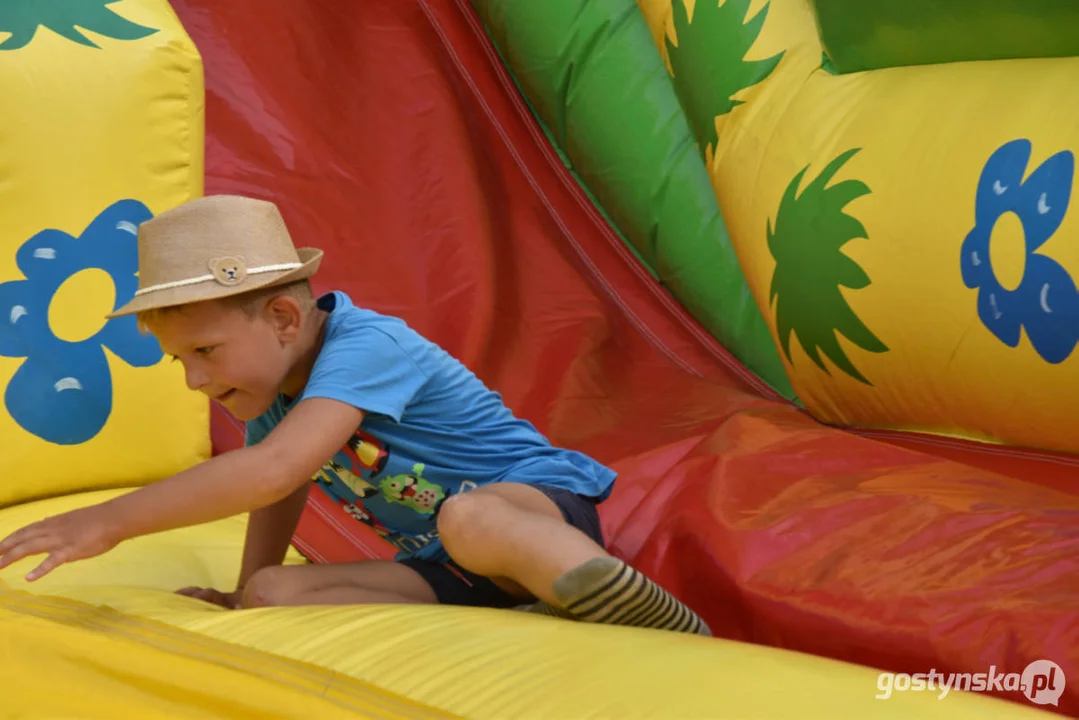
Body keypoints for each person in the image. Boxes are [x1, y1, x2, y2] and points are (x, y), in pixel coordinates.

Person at [0, 195, 710, 636]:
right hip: (452, 569)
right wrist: (242, 588)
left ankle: (650, 617)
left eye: (207, 351)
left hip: (529, 512)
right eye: (181, 360)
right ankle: (531, 613)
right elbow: (275, 494)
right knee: (272, 596)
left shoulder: (366, 345)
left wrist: (103, 522)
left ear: (282, 316)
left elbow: (271, 470)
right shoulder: (276, 397)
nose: (194, 378)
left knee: (471, 521)